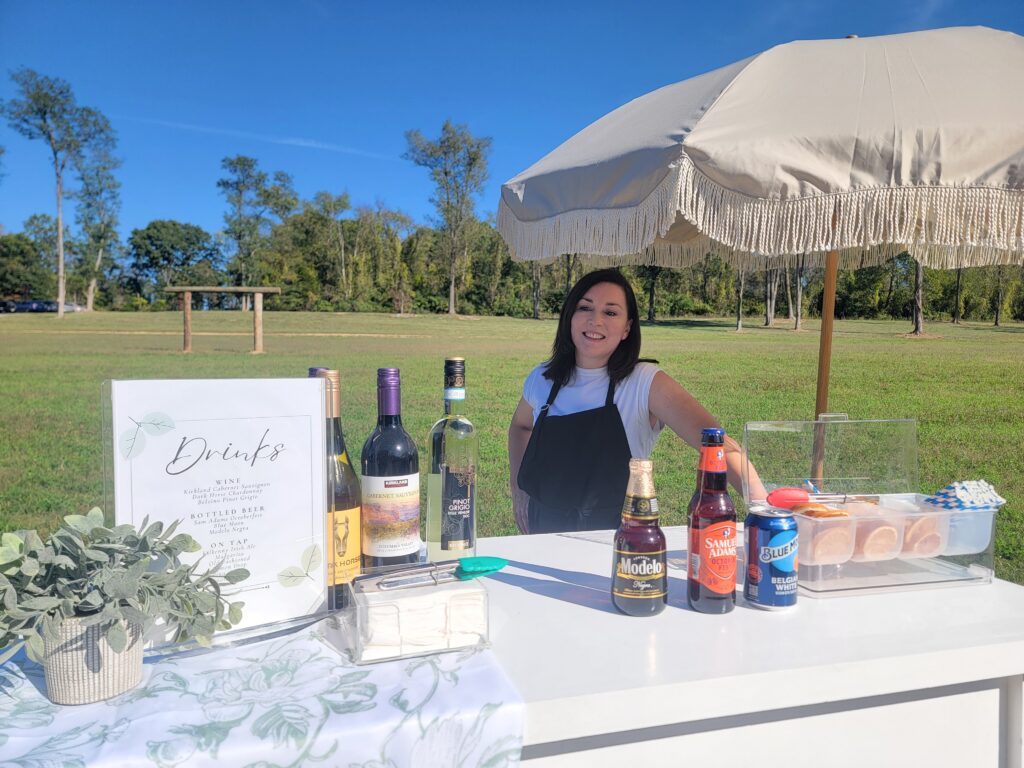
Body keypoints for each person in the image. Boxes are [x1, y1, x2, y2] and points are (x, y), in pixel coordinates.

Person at [508, 268, 764, 534]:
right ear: (570, 317)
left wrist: (764, 509)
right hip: (541, 538)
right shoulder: (542, 378)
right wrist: (517, 488)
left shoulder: (644, 382)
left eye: (610, 312)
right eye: (585, 308)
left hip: (620, 545)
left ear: (627, 327)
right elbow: (520, 427)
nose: (595, 320)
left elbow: (716, 444)